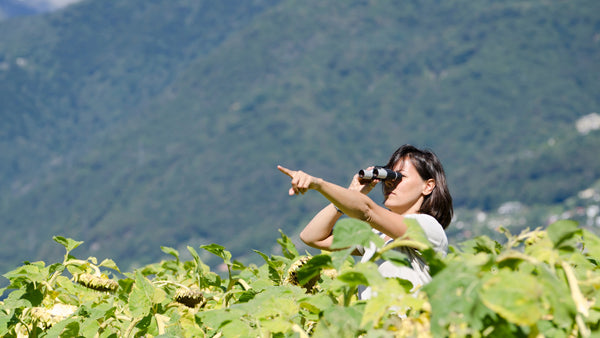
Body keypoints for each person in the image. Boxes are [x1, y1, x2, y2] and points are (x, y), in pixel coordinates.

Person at [277, 144, 453, 298]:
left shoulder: (428, 228)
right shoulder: (377, 236)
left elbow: (366, 210)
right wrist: (349, 194)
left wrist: (318, 184)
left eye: (400, 177)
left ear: (428, 186)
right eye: (389, 177)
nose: (390, 183)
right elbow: (313, 237)